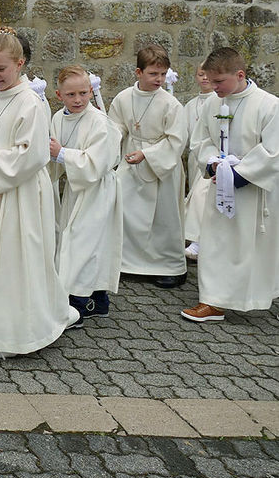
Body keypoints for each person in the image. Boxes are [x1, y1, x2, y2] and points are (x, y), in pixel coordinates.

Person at [0, 32, 78, 360]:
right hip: (3, 192)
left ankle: (20, 334)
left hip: (24, 192)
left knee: (20, 259)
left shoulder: (31, 102)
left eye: (1, 68)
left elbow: (31, 155)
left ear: (20, 63)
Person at [182, 48, 279, 323]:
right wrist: (212, 163)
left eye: (219, 81)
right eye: (210, 81)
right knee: (216, 242)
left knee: (251, 247)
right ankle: (212, 301)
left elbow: (274, 149)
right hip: (220, 186)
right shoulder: (213, 103)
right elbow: (200, 140)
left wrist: (242, 174)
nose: (213, 87)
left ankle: (253, 296)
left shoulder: (269, 105)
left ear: (240, 75)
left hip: (254, 191)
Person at [107, 45, 187, 288]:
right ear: (138, 72)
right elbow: (116, 127)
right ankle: (128, 263)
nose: (159, 80)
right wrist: (112, 142)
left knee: (163, 220)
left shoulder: (170, 104)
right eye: (153, 74)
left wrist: (147, 154)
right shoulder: (123, 98)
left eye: (163, 74)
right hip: (131, 161)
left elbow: (176, 140)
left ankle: (171, 267)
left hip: (161, 165)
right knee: (126, 212)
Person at [49, 66, 122, 321]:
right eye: (71, 95)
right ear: (59, 95)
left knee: (88, 244)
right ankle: (97, 300)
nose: (78, 100)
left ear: (91, 91)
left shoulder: (99, 121)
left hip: (98, 189)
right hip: (75, 189)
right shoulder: (58, 118)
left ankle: (80, 302)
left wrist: (62, 154)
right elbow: (51, 157)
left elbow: (97, 162)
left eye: (83, 93)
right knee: (75, 242)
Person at [183, 65, 216, 261]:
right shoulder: (191, 105)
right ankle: (195, 238)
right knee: (195, 195)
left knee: (202, 196)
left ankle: (199, 240)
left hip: (211, 158)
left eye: (207, 74)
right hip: (196, 159)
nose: (204, 78)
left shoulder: (218, 100)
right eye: (200, 74)